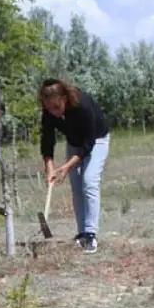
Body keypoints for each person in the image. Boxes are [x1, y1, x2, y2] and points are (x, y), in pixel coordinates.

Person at [38, 78, 111, 254]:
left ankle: (91, 234)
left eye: (56, 108)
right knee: (77, 187)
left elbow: (88, 144)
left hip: (96, 140)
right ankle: (82, 233)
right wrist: (49, 165)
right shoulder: (49, 111)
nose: (53, 112)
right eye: (49, 108)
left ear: (65, 98)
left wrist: (66, 166)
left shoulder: (83, 106)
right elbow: (47, 138)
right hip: (73, 142)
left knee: (89, 181)